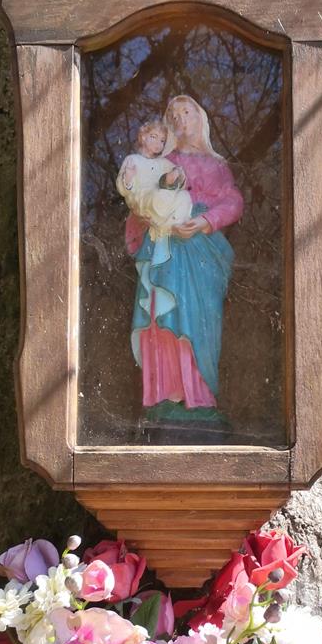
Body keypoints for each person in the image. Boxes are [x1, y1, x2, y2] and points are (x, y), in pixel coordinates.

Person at [125, 94, 244, 425]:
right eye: (173, 116)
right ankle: (163, 395)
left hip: (201, 252)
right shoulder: (160, 163)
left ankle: (199, 396)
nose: (180, 119)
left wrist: (205, 221)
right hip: (164, 246)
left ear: (200, 117)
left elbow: (233, 202)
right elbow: (140, 200)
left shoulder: (216, 165)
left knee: (196, 317)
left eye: (186, 112)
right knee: (160, 312)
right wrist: (148, 215)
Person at [116, 120, 192, 266]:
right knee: (158, 195)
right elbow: (123, 190)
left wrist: (178, 175)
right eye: (154, 137)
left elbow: (182, 182)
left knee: (184, 196)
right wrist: (128, 178)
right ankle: (162, 228)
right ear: (143, 137)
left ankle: (169, 227)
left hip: (162, 203)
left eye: (162, 140)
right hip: (144, 201)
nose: (158, 143)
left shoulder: (163, 163)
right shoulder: (133, 159)